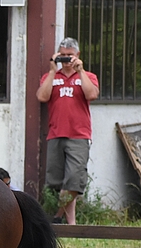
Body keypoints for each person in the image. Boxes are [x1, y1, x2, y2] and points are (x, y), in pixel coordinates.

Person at [35, 37, 100, 225]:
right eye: (62, 56)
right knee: (57, 183)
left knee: (74, 179)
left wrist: (80, 72)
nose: (65, 59)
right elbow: (42, 96)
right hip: (55, 133)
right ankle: (71, 222)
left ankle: (58, 217)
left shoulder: (88, 76)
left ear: (77, 55)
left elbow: (92, 94)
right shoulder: (51, 77)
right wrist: (52, 70)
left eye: (69, 56)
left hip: (79, 135)